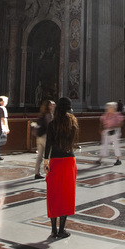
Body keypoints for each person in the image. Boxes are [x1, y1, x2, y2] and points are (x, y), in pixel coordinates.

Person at [43, 96, 79, 239]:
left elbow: (48, 145)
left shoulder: (52, 124)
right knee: (67, 194)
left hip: (55, 161)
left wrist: (45, 162)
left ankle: (53, 230)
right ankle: (62, 229)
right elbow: (73, 141)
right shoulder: (73, 123)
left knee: (54, 194)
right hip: (69, 161)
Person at [33, 99, 54, 179]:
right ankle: (49, 171)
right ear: (48, 106)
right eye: (52, 104)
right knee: (50, 155)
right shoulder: (49, 115)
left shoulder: (41, 114)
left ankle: (36, 173)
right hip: (46, 137)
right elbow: (50, 127)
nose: (53, 106)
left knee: (39, 156)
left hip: (39, 136)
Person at [98, 101, 123, 165]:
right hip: (107, 131)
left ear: (113, 108)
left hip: (115, 131)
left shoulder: (117, 115)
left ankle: (118, 159)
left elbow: (121, 123)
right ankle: (100, 159)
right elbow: (102, 122)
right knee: (104, 144)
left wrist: (114, 127)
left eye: (110, 107)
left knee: (116, 145)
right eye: (108, 107)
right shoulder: (105, 115)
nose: (108, 108)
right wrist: (101, 129)